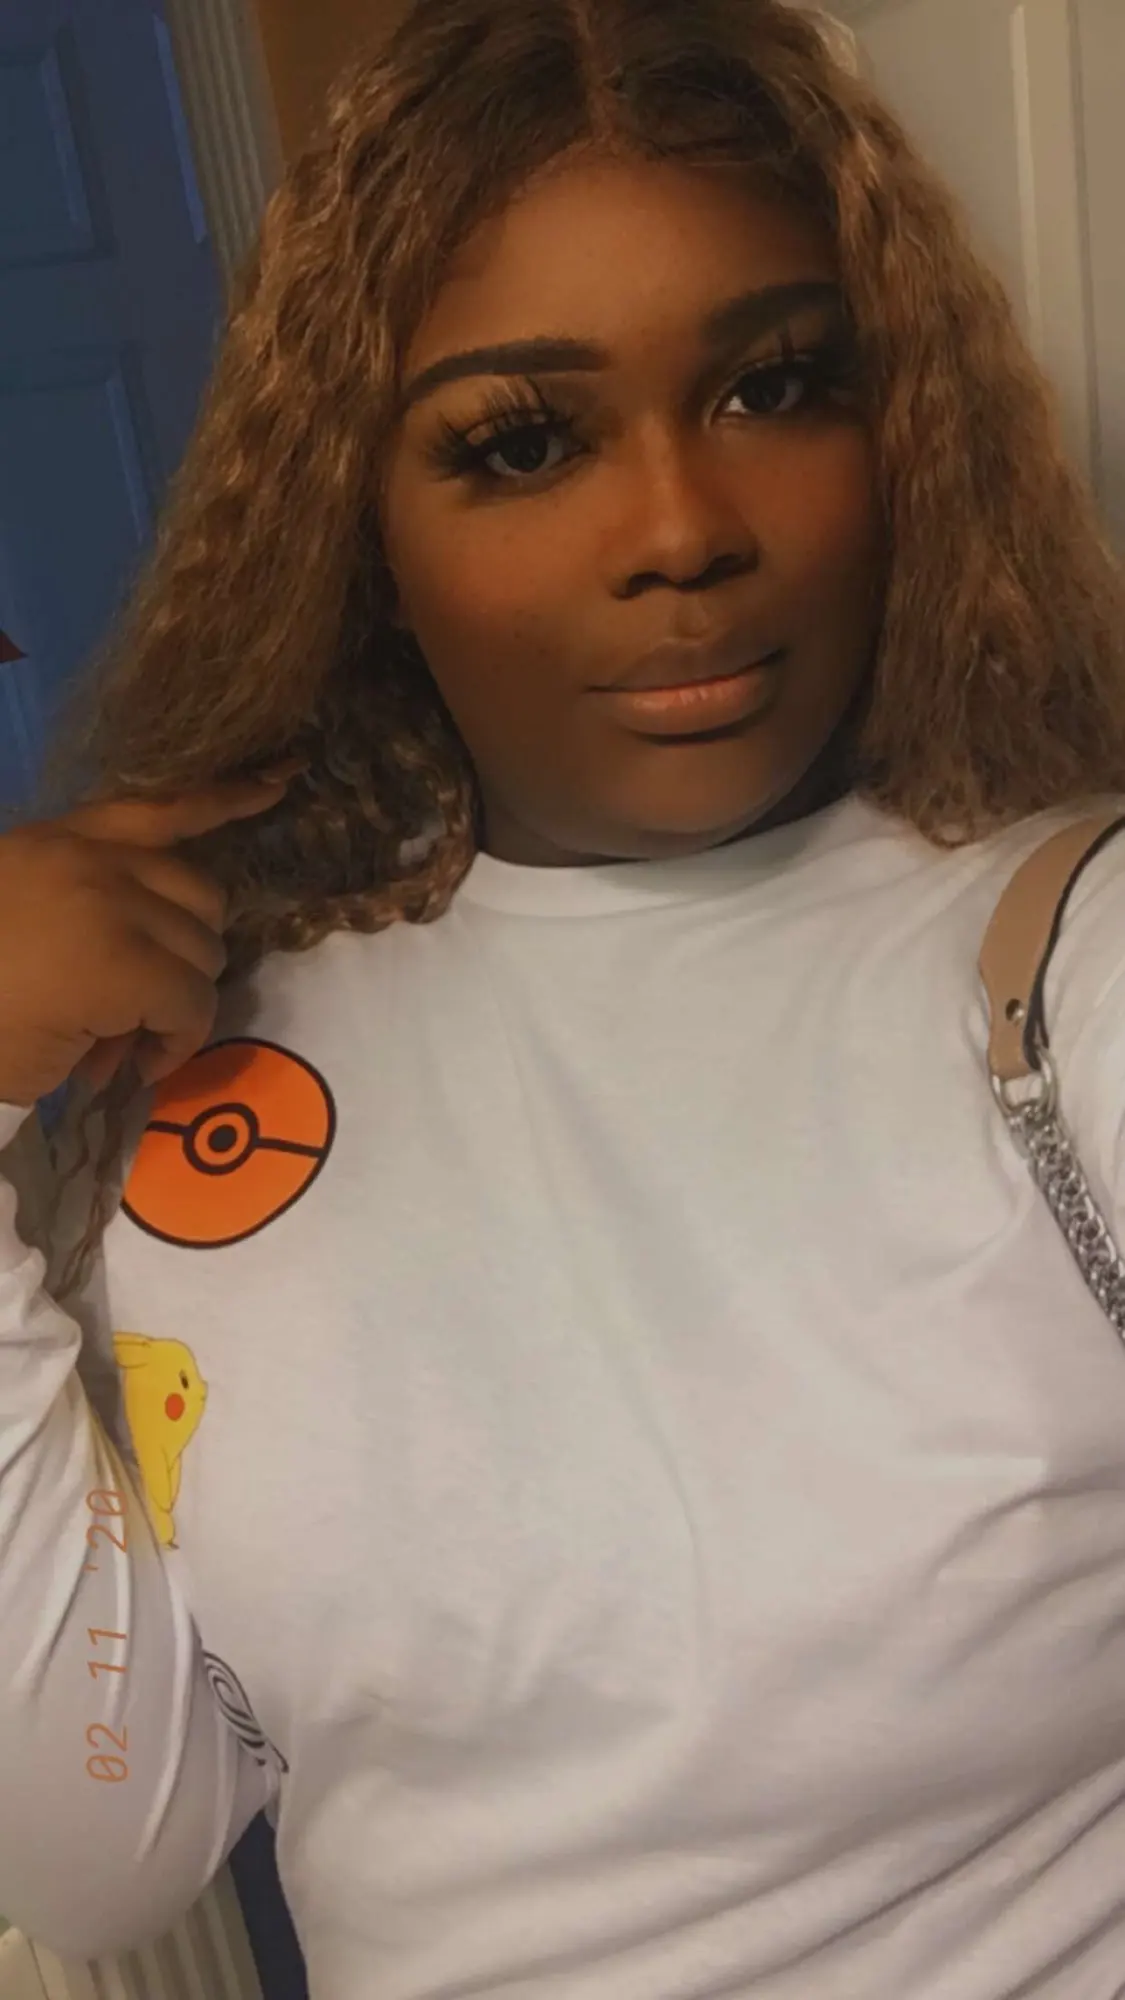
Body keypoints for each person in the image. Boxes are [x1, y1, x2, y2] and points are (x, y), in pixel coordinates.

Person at [2, 0, 1125, 1992]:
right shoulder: (205, 1037)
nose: (683, 531)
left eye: (778, 386)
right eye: (524, 441)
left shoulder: (1067, 961)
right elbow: (98, 1847)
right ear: (362, 523)